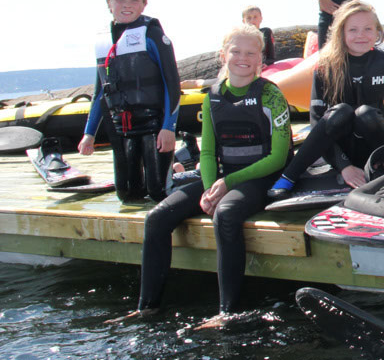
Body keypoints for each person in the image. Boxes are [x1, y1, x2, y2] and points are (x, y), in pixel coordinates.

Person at [106, 24, 292, 327]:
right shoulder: (213, 96)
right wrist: (208, 189)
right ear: (223, 55)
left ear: (261, 59)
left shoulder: (270, 95)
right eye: (236, 51)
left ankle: (227, 312)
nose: (243, 58)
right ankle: (147, 307)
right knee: (157, 217)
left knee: (226, 214)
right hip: (223, 177)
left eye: (251, 53)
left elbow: (279, 157)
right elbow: (207, 153)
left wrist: (226, 184)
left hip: (262, 177)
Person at [268, 0, 384, 199]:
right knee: (341, 111)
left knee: (366, 113)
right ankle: (288, 177)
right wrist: (344, 166)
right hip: (340, 149)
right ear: (341, 33)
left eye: (368, 29)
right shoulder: (325, 66)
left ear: (378, 31)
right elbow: (316, 120)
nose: (361, 35)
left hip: (375, 145)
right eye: (353, 29)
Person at [78, 0, 181, 202]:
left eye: (135, 0)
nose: (127, 5)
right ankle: (174, 170)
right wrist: (89, 134)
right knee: (127, 195)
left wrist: (168, 128)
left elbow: (171, 83)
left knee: (159, 192)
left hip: (154, 125)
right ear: (109, 3)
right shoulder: (103, 41)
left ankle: (183, 175)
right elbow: (100, 93)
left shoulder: (152, 34)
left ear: (144, 4)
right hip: (123, 128)